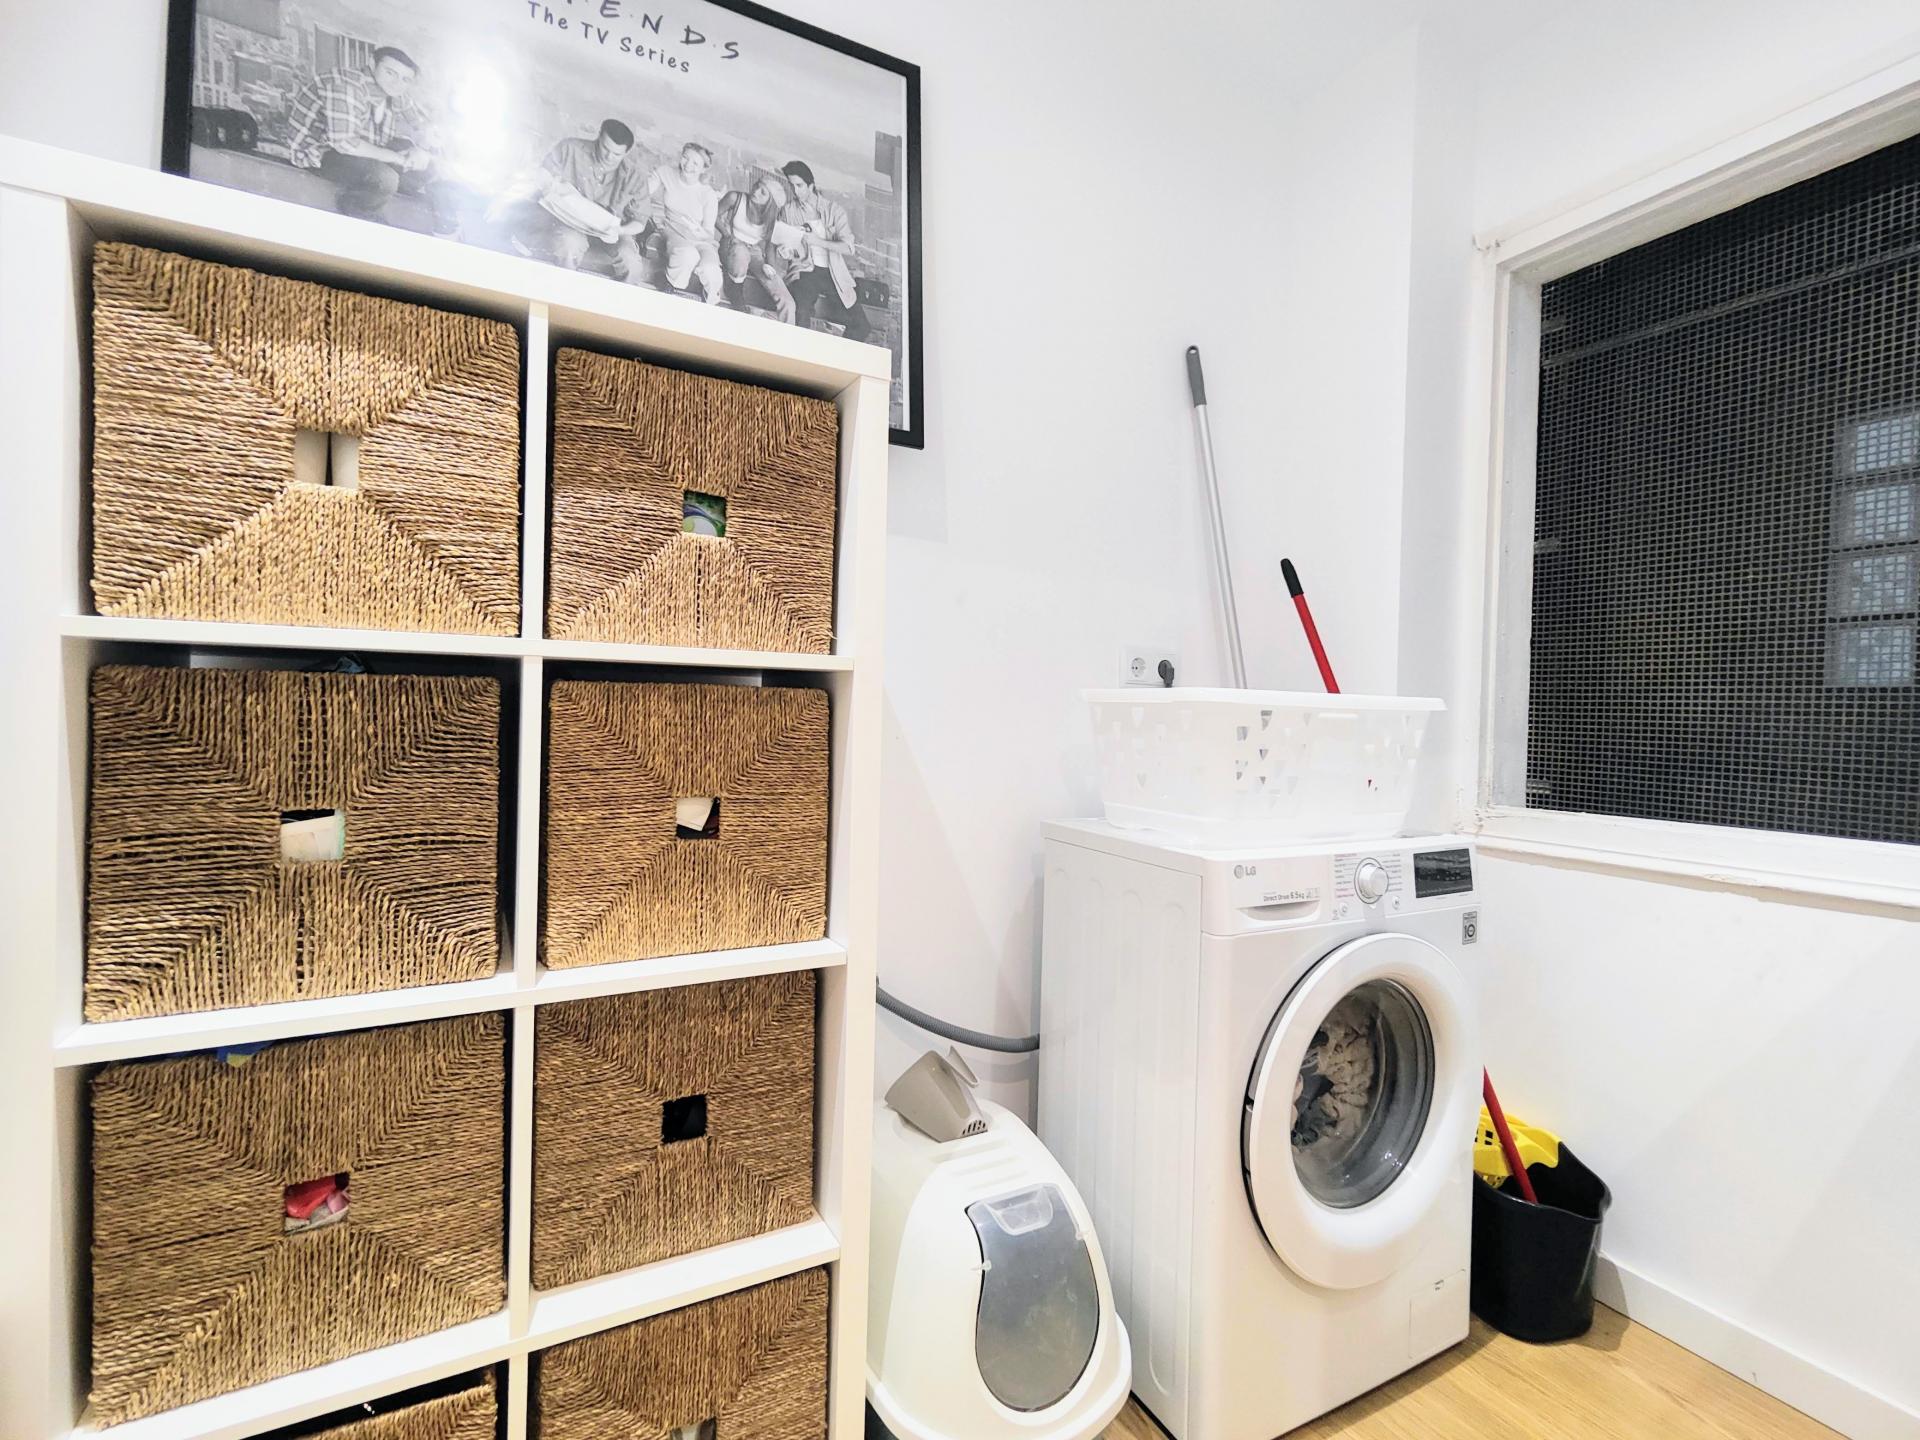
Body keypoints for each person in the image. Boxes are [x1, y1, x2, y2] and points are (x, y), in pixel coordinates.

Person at [287, 46, 443, 225]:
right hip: (321, 152)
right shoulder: (346, 86)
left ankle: (378, 194)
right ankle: (357, 211)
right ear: (372, 63)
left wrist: (421, 148)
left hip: (362, 148)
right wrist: (398, 159)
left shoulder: (393, 90)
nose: (397, 83)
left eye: (405, 79)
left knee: (427, 167)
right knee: (385, 178)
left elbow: (424, 124)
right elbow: (344, 143)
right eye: (390, 73)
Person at [491, 119, 651, 282]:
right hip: (571, 223)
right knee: (569, 245)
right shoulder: (570, 148)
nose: (608, 157)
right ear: (599, 137)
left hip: (612, 231)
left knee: (632, 263)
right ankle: (564, 287)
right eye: (605, 148)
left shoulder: (635, 176)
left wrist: (620, 230)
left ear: (626, 152)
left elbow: (640, 221)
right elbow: (543, 173)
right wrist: (550, 188)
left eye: (617, 154)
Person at [776, 160, 871, 343]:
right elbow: (788, 247)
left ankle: (837, 355)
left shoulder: (833, 211)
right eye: (791, 185)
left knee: (862, 326)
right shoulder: (788, 211)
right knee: (801, 314)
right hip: (805, 271)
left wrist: (818, 241)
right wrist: (786, 252)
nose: (795, 191)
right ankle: (801, 354)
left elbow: (848, 247)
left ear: (811, 186)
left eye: (799, 185)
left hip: (833, 273)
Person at [645, 143, 724, 303]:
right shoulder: (666, 173)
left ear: (703, 169)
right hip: (673, 231)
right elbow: (643, 191)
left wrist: (699, 232)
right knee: (688, 255)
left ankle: (707, 300)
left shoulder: (707, 194)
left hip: (700, 240)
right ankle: (671, 286)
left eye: (695, 163)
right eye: (685, 158)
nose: (688, 165)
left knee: (712, 272)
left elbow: (709, 233)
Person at [715, 169, 797, 322]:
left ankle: (786, 330)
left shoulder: (771, 218)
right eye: (757, 186)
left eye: (763, 193)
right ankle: (734, 288)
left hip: (754, 252)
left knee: (788, 302)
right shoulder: (735, 198)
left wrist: (771, 269)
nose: (756, 191)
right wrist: (727, 235)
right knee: (741, 252)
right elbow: (713, 215)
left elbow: (769, 246)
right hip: (731, 245)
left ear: (770, 202)